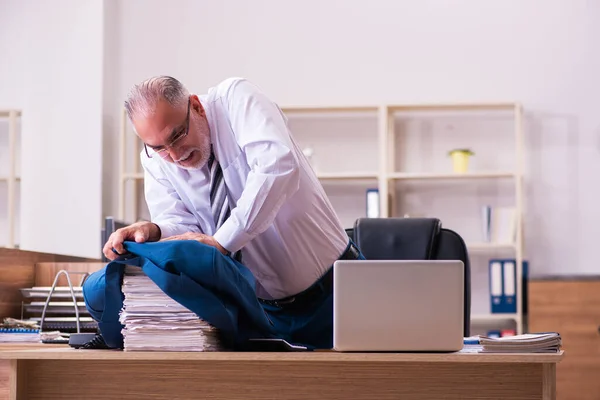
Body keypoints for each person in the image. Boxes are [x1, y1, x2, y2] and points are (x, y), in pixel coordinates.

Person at [85, 76, 364, 349]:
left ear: (195, 106)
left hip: (341, 295)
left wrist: (222, 242)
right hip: (268, 317)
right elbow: (183, 227)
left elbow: (276, 168)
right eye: (158, 148)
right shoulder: (156, 162)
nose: (174, 154)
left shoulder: (236, 100)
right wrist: (154, 230)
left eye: (177, 136)